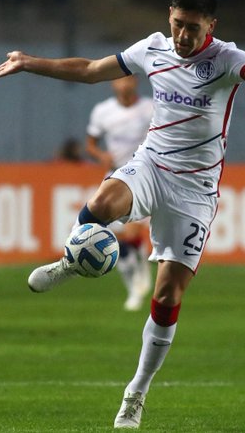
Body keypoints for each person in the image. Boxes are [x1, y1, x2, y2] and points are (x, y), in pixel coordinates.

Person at [0, 0, 245, 429]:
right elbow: (91, 69)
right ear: (169, 17)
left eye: (193, 27)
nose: (183, 36)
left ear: (212, 26)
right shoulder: (152, 48)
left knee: (167, 295)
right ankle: (73, 260)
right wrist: (29, 62)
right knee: (102, 201)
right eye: (178, 25)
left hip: (196, 189)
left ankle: (136, 392)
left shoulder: (227, 57)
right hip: (152, 163)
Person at [86, 75, 154, 312]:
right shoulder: (103, 111)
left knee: (131, 233)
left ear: (135, 82)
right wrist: (100, 155)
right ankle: (133, 284)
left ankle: (137, 286)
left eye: (128, 80)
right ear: (113, 84)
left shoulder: (150, 108)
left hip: (143, 177)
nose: (124, 84)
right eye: (119, 81)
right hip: (114, 177)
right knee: (117, 240)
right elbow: (91, 143)